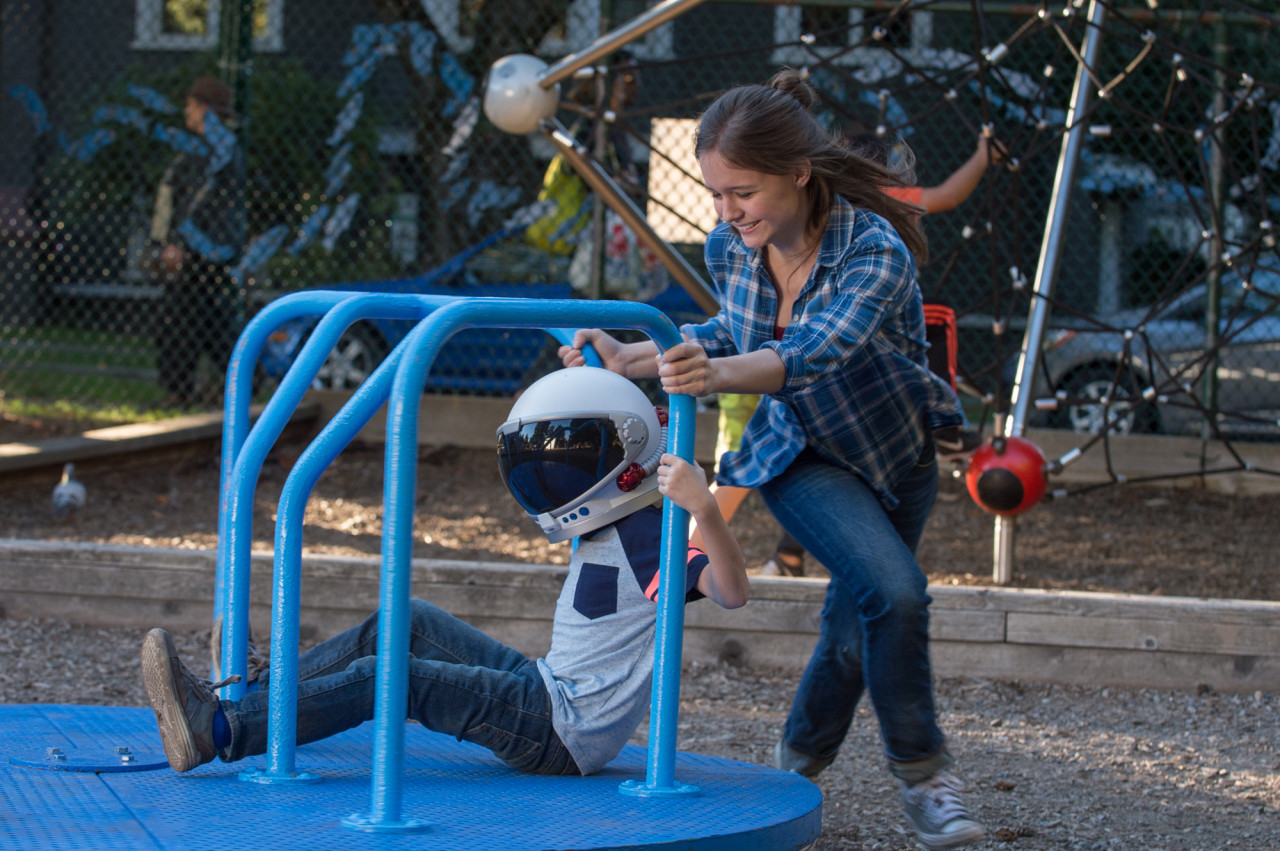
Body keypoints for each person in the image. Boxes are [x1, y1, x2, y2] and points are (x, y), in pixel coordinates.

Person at [558, 69, 984, 847]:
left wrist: (712, 372)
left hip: (898, 456)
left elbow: (816, 350)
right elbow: (731, 330)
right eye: (717, 193)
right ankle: (926, 778)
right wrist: (638, 357)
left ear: (798, 173)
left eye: (741, 192)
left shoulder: (872, 249)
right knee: (900, 593)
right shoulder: (732, 245)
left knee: (862, 616)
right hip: (801, 454)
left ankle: (796, 761)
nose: (725, 213)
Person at [140, 366, 748, 778]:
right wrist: (590, 365)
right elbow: (630, 417)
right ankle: (272, 691)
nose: (554, 476)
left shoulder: (649, 533)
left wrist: (703, 511)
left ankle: (219, 730)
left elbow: (732, 593)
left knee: (391, 676)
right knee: (404, 623)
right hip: (548, 686)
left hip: (563, 730)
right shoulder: (610, 511)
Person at [721, 129, 1007, 577]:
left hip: (855, 348)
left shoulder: (865, 227)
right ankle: (764, 555)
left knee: (798, 449)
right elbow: (948, 195)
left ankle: (777, 555)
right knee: (793, 452)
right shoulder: (843, 212)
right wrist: (981, 155)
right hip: (811, 360)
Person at [148, 76, 246, 408]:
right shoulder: (209, 148)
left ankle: (180, 390)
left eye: (190, 105)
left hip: (202, 250)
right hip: (208, 249)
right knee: (208, 319)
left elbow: (198, 202)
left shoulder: (214, 150)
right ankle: (245, 378)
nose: (185, 112)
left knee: (181, 318)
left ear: (204, 109)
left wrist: (178, 243)